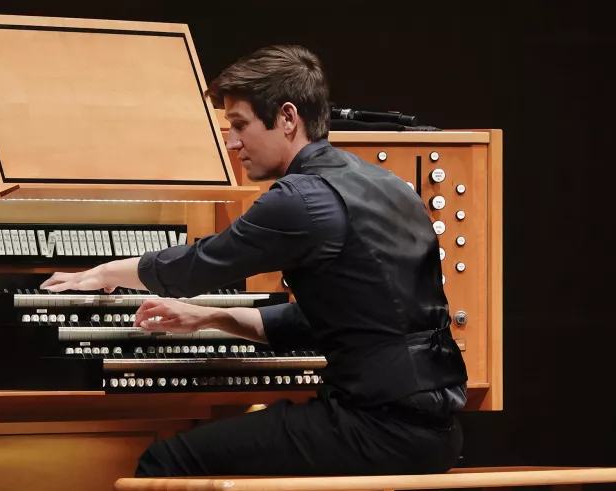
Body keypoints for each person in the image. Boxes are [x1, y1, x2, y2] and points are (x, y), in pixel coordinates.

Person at [40, 45, 469, 477]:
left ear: (287, 118)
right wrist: (212, 316)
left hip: (376, 428)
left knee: (164, 462)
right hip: (435, 431)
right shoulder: (387, 183)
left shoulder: (302, 198)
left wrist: (104, 272)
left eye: (239, 125)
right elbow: (335, 317)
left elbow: (195, 266)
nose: (232, 143)